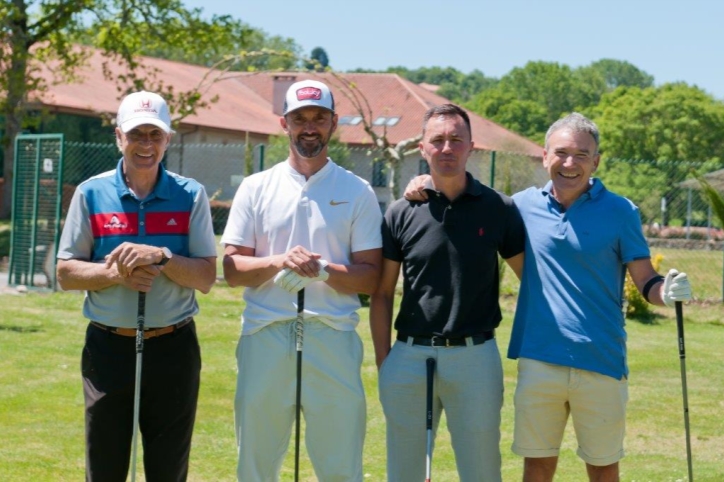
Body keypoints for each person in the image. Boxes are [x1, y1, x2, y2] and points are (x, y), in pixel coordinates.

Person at [405, 112, 693, 482]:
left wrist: (666, 293)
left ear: (596, 161)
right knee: (537, 467)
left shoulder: (621, 211)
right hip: (539, 358)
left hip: (601, 358)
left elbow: (646, 281)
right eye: (561, 153)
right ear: (544, 157)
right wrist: (427, 179)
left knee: (603, 468)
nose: (569, 163)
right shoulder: (518, 207)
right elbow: (465, 193)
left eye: (581, 155)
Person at [221, 79, 382, 481]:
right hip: (265, 333)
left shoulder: (357, 190)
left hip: (332, 335)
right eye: (300, 118)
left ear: (333, 123)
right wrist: (281, 262)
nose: (309, 126)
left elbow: (371, 278)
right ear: (284, 123)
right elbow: (232, 270)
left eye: (319, 118)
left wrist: (322, 271)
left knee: (341, 463)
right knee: (255, 462)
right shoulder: (256, 188)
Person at [56, 91, 217, 482]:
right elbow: (65, 272)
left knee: (167, 469)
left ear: (168, 140)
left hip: (173, 348)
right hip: (108, 349)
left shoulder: (191, 194)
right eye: (136, 135)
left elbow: (206, 277)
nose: (146, 145)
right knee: (106, 467)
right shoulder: (91, 193)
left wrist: (162, 256)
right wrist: (115, 274)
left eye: (155, 135)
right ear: (118, 137)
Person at [371, 103, 526, 482]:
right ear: (422, 148)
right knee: (405, 473)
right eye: (437, 140)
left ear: (471, 146)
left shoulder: (499, 208)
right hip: (408, 356)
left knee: (482, 471)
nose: (447, 148)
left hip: (476, 358)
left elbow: (532, 284)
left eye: (456, 139)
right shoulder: (400, 212)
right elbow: (382, 294)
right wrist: (385, 361)